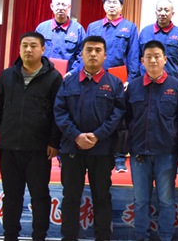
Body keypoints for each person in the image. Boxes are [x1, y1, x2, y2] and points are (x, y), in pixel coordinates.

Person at [0, 32, 63, 241]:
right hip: (9, 147)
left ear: (43, 49)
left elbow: (58, 113)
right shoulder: (7, 75)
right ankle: (10, 236)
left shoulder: (54, 78)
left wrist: (54, 142)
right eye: (24, 45)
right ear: (19, 49)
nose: (28, 49)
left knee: (40, 196)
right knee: (11, 196)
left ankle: (39, 236)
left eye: (33, 45)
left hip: (38, 149)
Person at [54, 36, 126, 241]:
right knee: (71, 197)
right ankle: (69, 237)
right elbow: (60, 112)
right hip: (72, 148)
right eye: (89, 50)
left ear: (105, 55)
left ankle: (102, 237)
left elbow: (118, 114)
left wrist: (97, 135)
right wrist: (76, 135)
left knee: (102, 197)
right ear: (82, 54)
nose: (93, 54)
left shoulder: (114, 83)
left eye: (98, 50)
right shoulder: (68, 82)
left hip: (102, 149)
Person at [75, 0, 139, 172]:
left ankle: (119, 157)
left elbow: (133, 55)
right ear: (103, 5)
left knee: (120, 118)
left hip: (119, 79)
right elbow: (84, 52)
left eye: (115, 2)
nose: (112, 5)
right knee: (96, 114)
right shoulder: (93, 27)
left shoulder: (129, 27)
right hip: (94, 77)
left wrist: (131, 79)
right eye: (108, 2)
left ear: (121, 6)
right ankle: (93, 150)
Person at [125, 40, 178, 241]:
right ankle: (141, 236)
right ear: (142, 61)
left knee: (166, 200)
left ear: (165, 59)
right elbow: (127, 119)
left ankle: (166, 236)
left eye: (157, 56)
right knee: (140, 200)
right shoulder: (133, 87)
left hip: (166, 153)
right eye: (148, 57)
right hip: (139, 153)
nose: (153, 60)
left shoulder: (177, 87)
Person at [138, 0, 178, 84]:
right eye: (160, 10)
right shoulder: (145, 32)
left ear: (172, 13)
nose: (162, 13)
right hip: (146, 81)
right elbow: (137, 58)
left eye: (166, 10)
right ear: (156, 12)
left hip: (172, 83)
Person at [35, 0, 86, 70]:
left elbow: (82, 55)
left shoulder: (78, 29)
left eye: (64, 5)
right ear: (52, 6)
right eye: (58, 4)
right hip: (43, 73)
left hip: (68, 74)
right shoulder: (41, 28)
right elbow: (35, 51)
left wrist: (72, 72)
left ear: (69, 7)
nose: (61, 8)